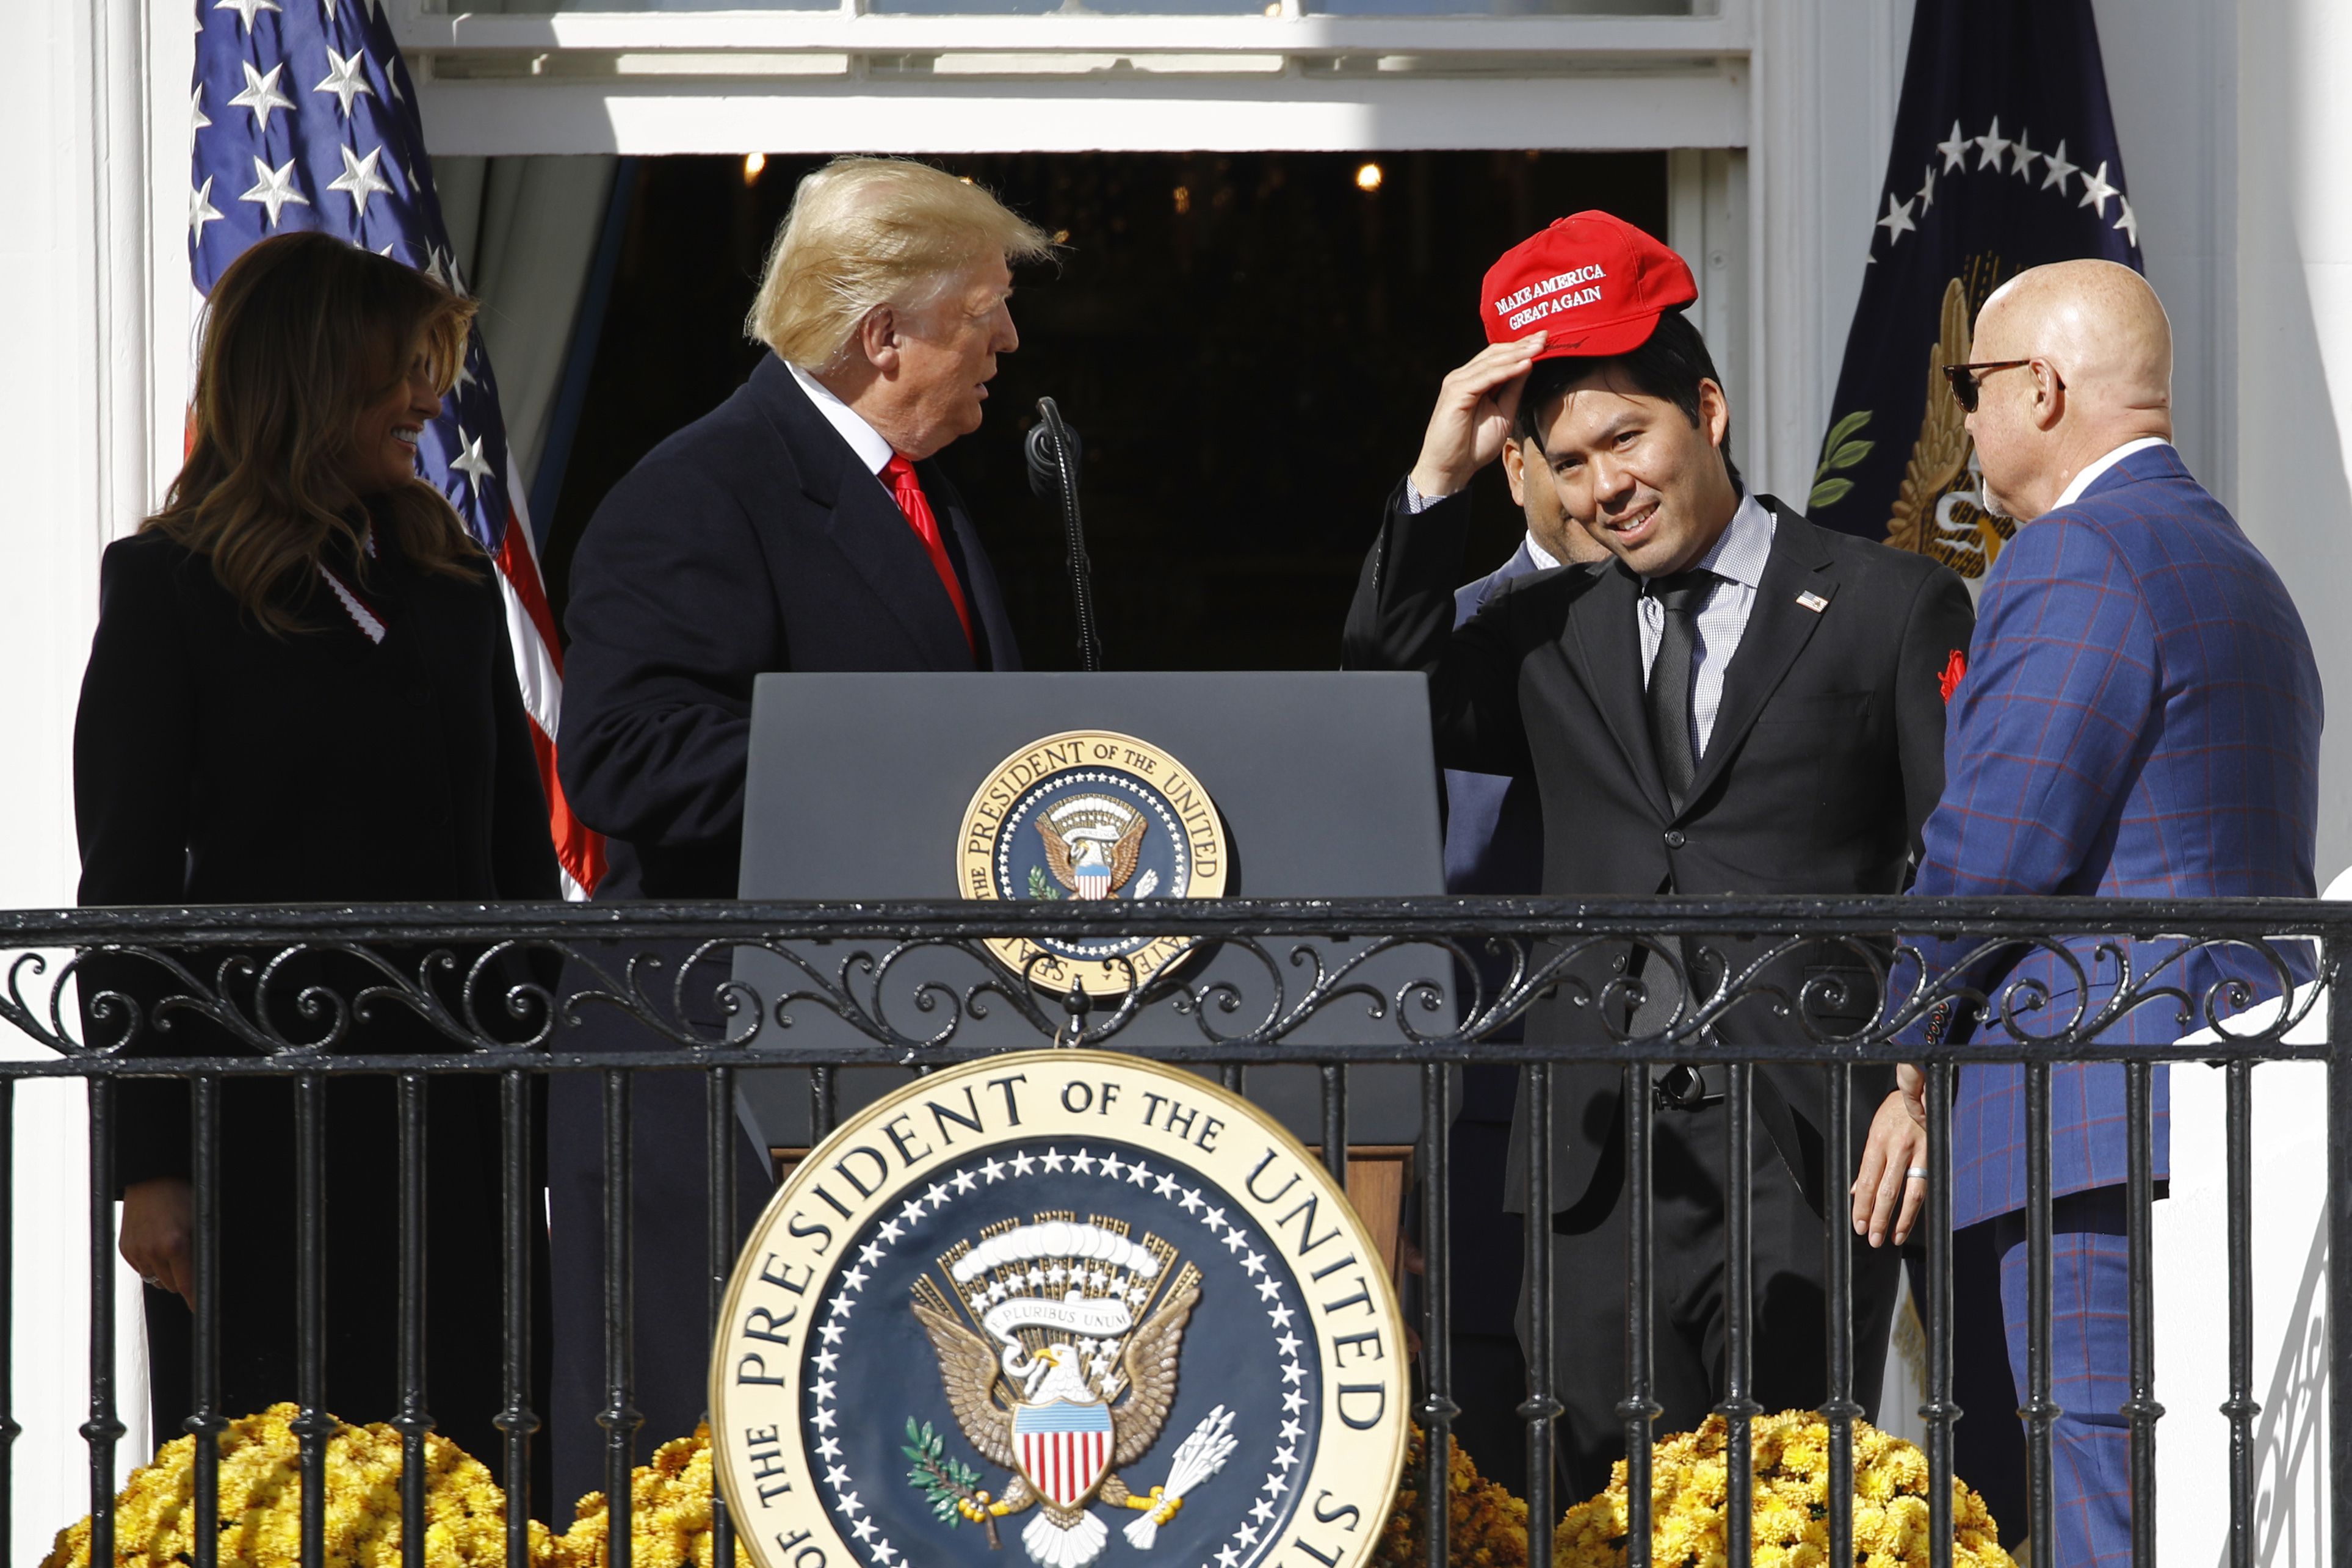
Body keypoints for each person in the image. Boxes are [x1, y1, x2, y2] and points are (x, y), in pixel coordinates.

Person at [1343, 211, 1975, 1499]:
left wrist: (1912, 1082)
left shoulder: (1884, 601)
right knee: (1588, 1505)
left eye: (1625, 439)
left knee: (1784, 1504)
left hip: (1798, 1140)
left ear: (1708, 409)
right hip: (1590, 1154)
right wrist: (1436, 479)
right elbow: (1377, 685)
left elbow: (1952, 857)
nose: (1601, 487)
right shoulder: (1546, 628)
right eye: (1567, 462)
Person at [552, 157, 1051, 1504]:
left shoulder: (925, 495)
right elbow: (623, 757)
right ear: (883, 332)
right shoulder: (701, 490)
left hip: (889, 1071)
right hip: (726, 1073)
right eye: (986, 310)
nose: (1008, 341)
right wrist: (897, 767)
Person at [1853, 259, 2322, 1568]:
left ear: (2038, 389)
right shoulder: (2243, 570)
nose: (1964, 421)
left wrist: (1904, 1047)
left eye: (1970, 388)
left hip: (2091, 1117)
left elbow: (1993, 842)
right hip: (2218, 1103)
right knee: (2200, 1505)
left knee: (2095, 1512)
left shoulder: (2073, 556)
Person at [77, 231, 559, 1475]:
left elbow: (514, 857)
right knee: (270, 1485)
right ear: (306, 380)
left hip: (452, 1129)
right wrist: (146, 1165)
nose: (425, 402)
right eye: (397, 372)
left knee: (468, 1477)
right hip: (254, 1133)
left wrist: (529, 1075)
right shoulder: (169, 590)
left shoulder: (450, 585)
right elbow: (125, 891)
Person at [1435, 354, 1615, 1487]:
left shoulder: (1724, 623)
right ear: (1512, 468)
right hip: (1492, 1125)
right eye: (1562, 452)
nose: (1601, 482)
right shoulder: (1444, 644)